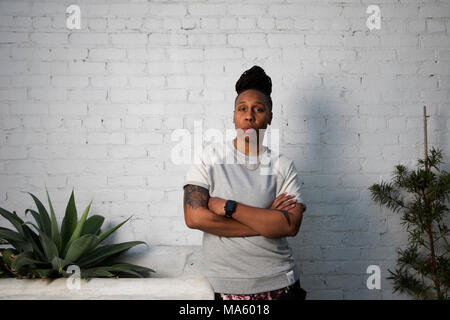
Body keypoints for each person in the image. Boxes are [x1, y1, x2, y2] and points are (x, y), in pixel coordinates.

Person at [182, 65, 307, 300]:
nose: (249, 115)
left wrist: (230, 208)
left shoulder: (282, 165)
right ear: (234, 116)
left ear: (269, 117)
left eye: (259, 109)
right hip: (227, 288)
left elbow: (290, 226)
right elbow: (194, 217)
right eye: (242, 109)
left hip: (281, 284)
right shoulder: (208, 158)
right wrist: (266, 221)